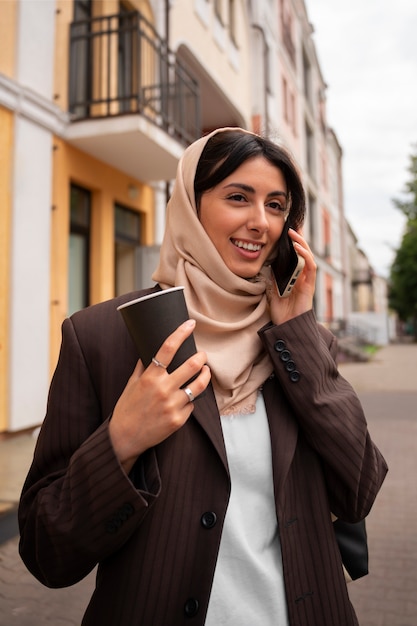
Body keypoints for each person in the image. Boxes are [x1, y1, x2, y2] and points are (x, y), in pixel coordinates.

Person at [18, 127, 387, 626]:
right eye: (239, 197)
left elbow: (359, 491)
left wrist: (299, 332)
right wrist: (120, 442)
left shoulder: (301, 343)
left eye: (277, 205)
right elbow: (47, 551)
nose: (261, 222)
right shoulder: (102, 336)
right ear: (190, 205)